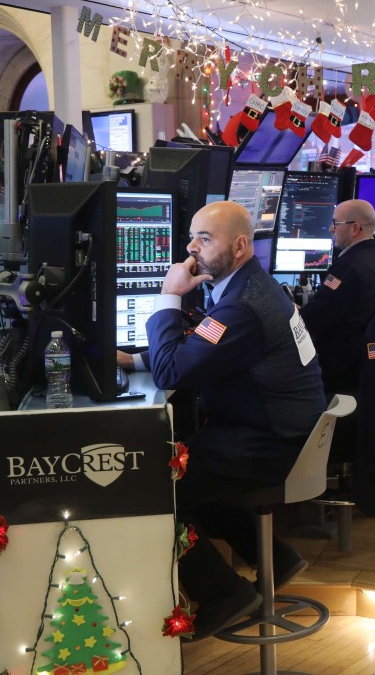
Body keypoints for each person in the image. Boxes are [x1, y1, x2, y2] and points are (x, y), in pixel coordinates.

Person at [118, 200, 326, 640]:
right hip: (286, 432)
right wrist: (135, 359)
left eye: (205, 239)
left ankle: (222, 593)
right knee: (190, 469)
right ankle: (275, 556)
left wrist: (169, 296)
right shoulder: (247, 287)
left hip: (271, 442)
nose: (192, 248)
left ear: (240, 245)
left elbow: (176, 370)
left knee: (151, 485)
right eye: (192, 236)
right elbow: (202, 348)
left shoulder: (243, 306)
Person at [300, 198, 375, 397]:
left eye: (335, 223)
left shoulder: (347, 267)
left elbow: (313, 320)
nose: (331, 229)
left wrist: (292, 311)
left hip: (343, 367)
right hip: (373, 364)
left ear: (355, 229)